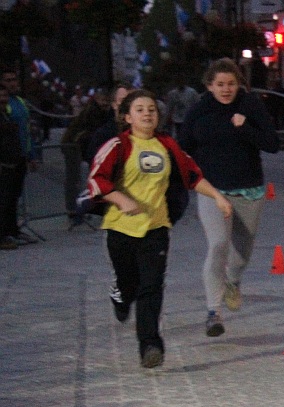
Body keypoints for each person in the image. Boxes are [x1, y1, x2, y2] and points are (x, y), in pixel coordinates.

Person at [86, 89, 233, 367]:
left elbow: (191, 174)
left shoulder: (167, 145)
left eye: (151, 109)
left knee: (151, 287)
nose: (147, 114)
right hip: (120, 229)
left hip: (156, 228)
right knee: (129, 283)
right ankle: (120, 292)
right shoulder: (117, 146)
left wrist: (217, 197)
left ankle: (150, 346)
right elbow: (97, 180)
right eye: (140, 109)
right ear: (127, 117)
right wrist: (120, 199)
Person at [178, 58, 280, 337]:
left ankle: (233, 281)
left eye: (231, 84)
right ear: (209, 86)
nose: (226, 89)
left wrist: (245, 127)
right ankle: (213, 312)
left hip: (249, 189)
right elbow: (182, 148)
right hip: (213, 190)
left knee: (242, 252)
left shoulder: (250, 106)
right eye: (220, 84)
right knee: (218, 244)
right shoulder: (199, 111)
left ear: (239, 85)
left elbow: (273, 144)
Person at [0, 67, 39, 250]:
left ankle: (13, 230)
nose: (12, 83)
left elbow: (27, 132)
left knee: (14, 196)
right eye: (7, 80)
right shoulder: (3, 104)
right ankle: (4, 233)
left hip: (20, 155)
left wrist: (32, 155)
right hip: (6, 158)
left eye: (14, 79)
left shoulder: (21, 102)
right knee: (5, 197)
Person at [61, 87, 111, 228]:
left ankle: (85, 207)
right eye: (103, 100)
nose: (105, 104)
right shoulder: (93, 111)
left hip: (82, 145)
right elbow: (94, 132)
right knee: (73, 178)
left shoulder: (102, 112)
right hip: (73, 145)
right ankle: (73, 210)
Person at [86, 84, 130, 164]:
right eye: (123, 100)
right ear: (114, 104)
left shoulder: (144, 133)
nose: (128, 105)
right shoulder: (103, 134)